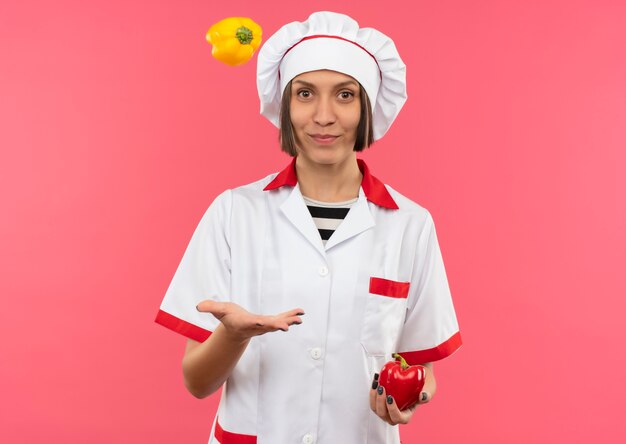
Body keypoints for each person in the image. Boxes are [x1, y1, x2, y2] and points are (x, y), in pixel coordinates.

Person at [155, 11, 462, 444]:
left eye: (344, 95)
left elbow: (419, 366)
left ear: (367, 107)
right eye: (305, 94)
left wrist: (413, 399)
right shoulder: (234, 213)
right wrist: (234, 334)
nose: (323, 116)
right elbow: (197, 382)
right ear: (285, 105)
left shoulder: (410, 225)